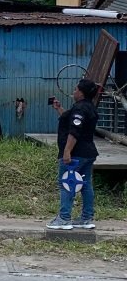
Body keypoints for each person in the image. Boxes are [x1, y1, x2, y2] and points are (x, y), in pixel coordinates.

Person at [46, 79, 99, 230]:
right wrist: (59, 108)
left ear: (81, 93)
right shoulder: (89, 107)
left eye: (76, 89)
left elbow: (74, 131)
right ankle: (86, 218)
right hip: (88, 152)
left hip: (76, 154)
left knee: (67, 183)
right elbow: (72, 122)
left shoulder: (80, 109)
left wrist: (67, 151)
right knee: (85, 184)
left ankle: (64, 218)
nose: (73, 91)